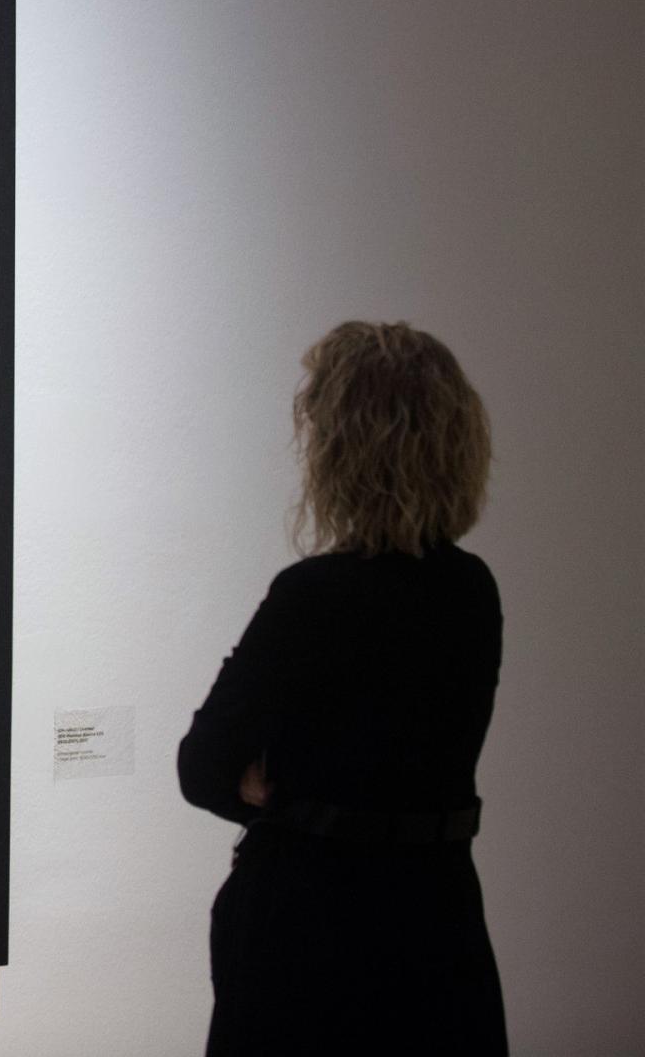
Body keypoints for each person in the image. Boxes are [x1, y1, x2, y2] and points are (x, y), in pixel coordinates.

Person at [178, 321, 507, 1056]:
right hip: (438, 921)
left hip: (308, 935)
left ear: (342, 450)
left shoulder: (312, 596)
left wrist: (273, 787)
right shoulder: (472, 591)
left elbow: (201, 765)